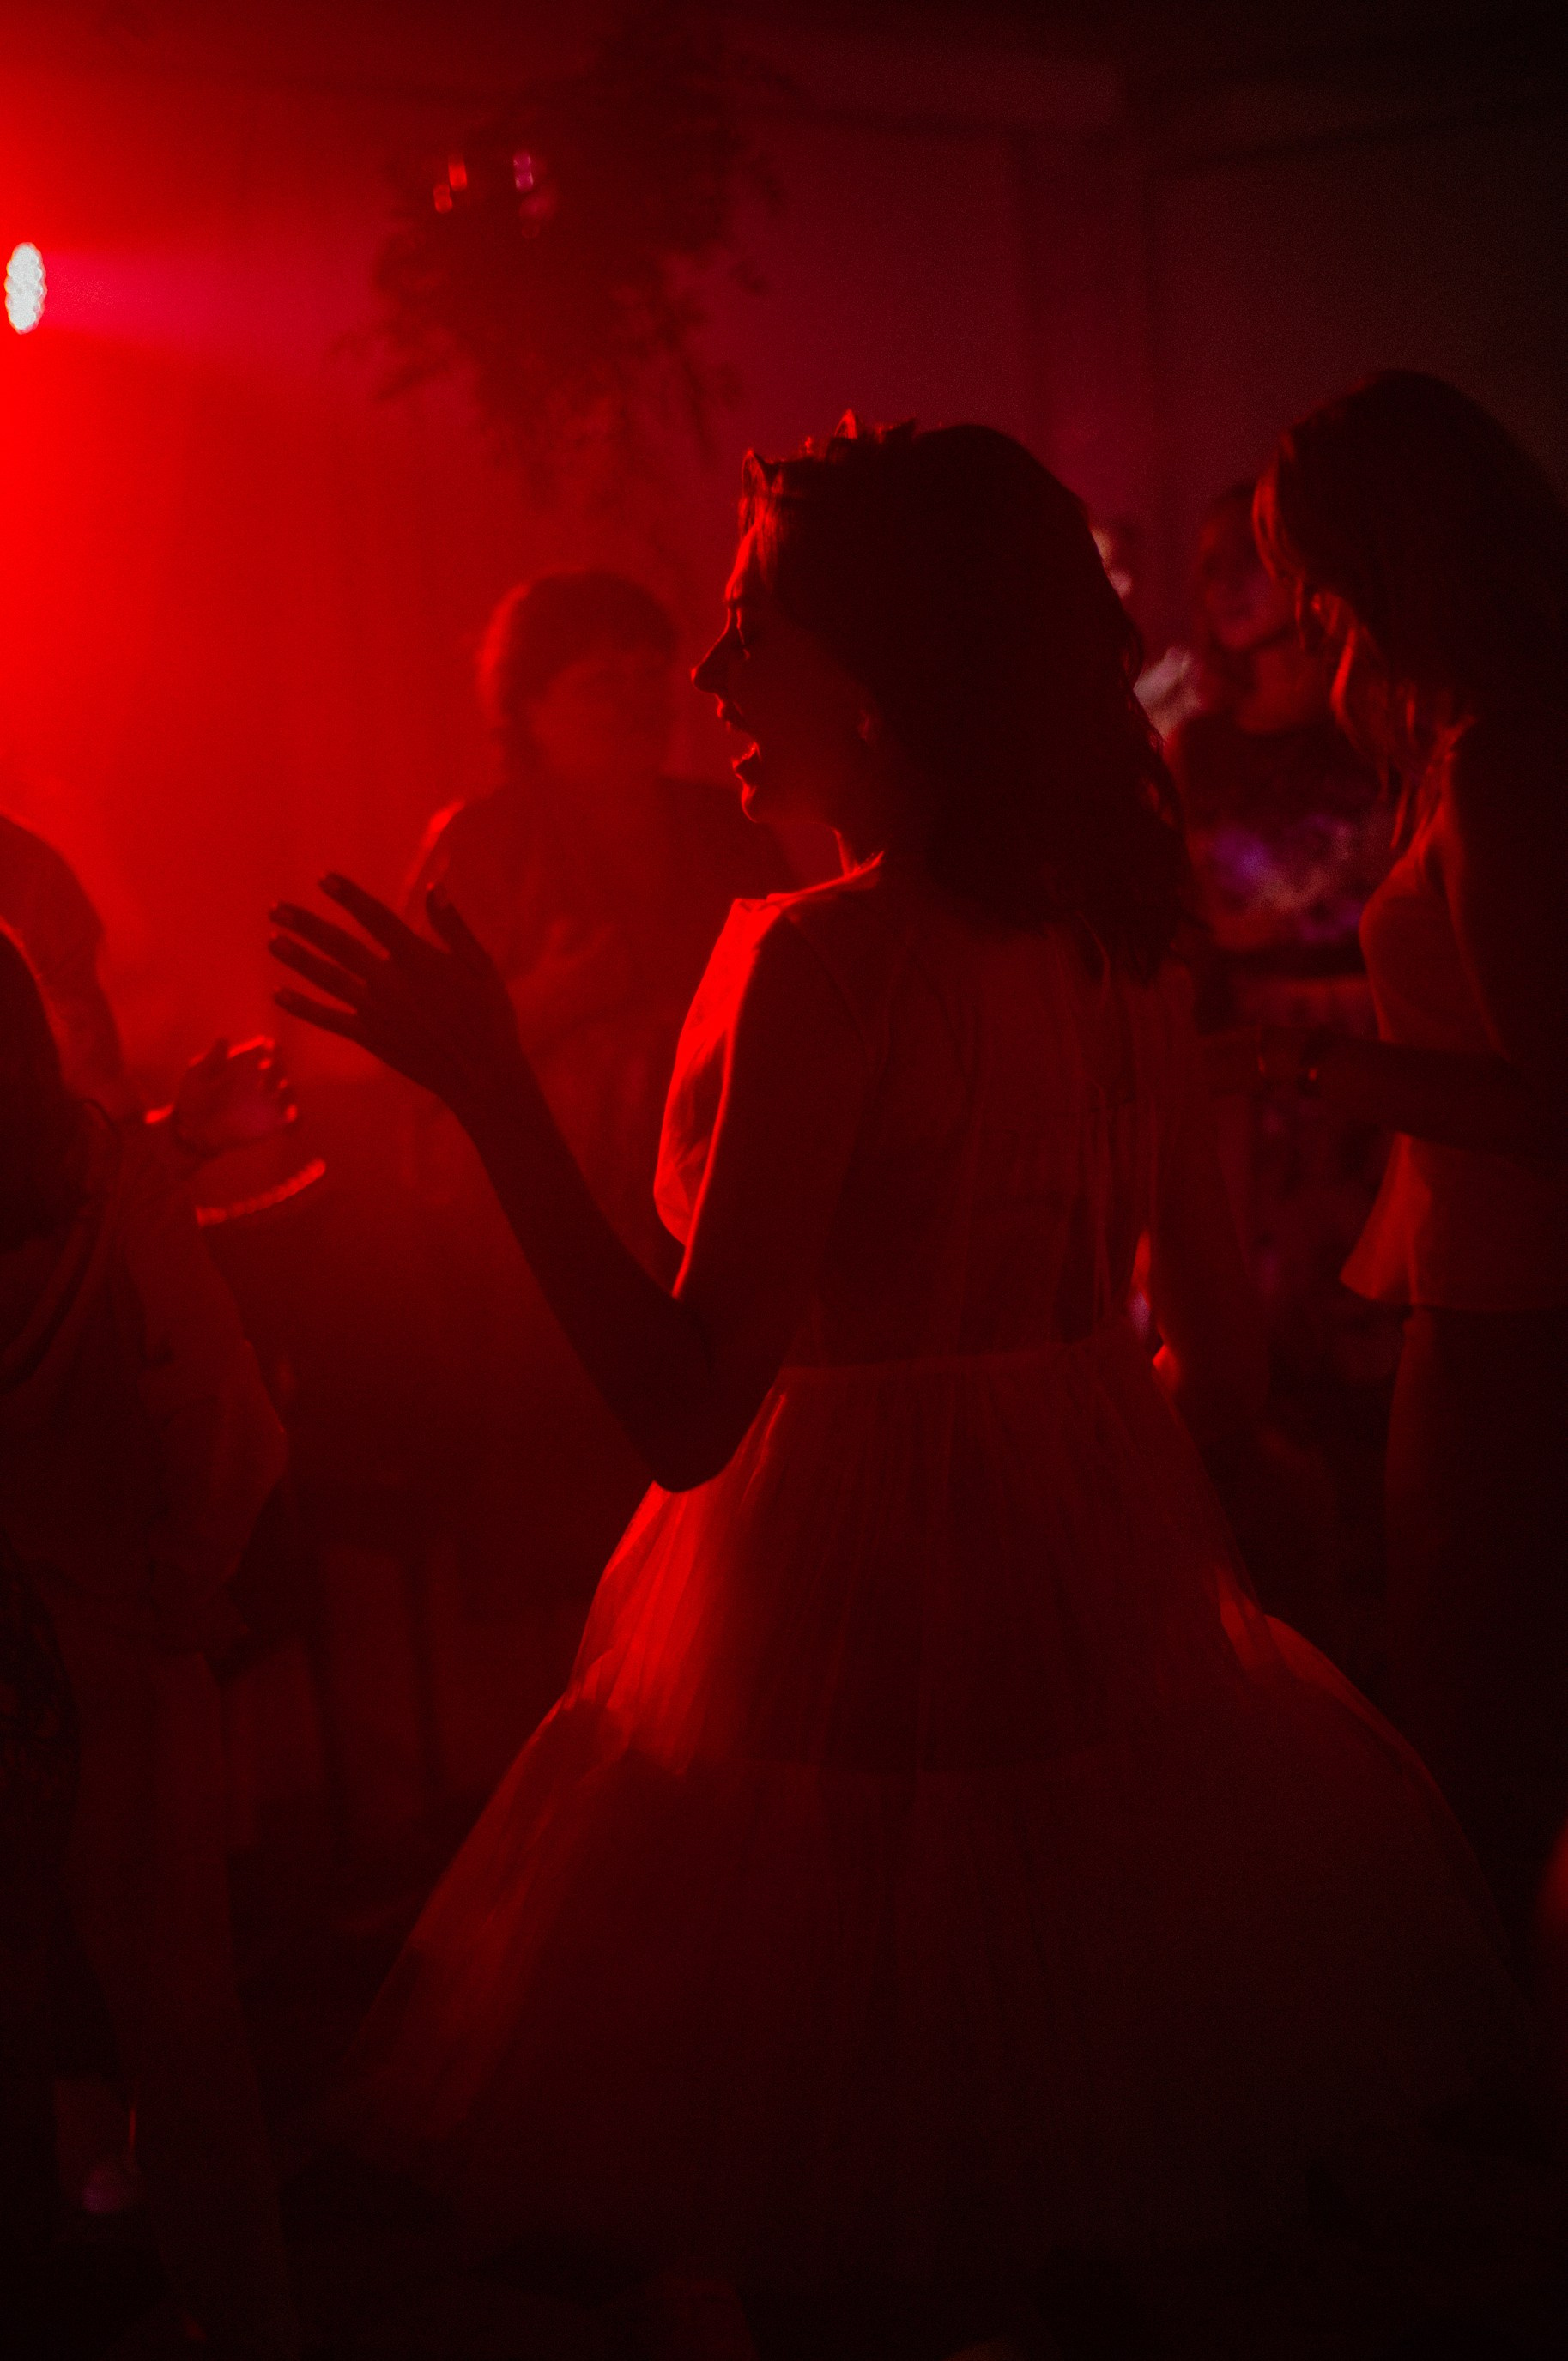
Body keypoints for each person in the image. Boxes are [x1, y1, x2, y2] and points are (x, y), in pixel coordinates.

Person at [270, 421, 1523, 2342]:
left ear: (877, 672)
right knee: (1094, 2169)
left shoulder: (829, 964)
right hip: (1092, 1614)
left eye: (746, 624)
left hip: (832, 1621)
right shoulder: (1119, 943)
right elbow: (1218, 1363)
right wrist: (1064, 1472)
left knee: (841, 2201)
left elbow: (688, 1413)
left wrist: (494, 1088)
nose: (707, 673)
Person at [1215, 370, 1568, 1954]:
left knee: (1474, 1708)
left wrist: (1303, 1063)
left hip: (1515, 1296)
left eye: (1309, 567)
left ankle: (1504, 2062)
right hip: (1488, 1276)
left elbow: (1553, 1097)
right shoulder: (1500, 738)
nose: (1299, 606)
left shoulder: (1504, 758)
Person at [397, 572, 791, 1777]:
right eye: (596, 680)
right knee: (560, 1530)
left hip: (715, 1217)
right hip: (542, 1245)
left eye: (646, 672)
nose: (635, 700)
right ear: (527, 705)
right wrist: (552, 1000)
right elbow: (417, 1053)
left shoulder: (726, 826)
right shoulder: (479, 844)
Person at [0, 931, 299, 2359]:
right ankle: (243, 2327)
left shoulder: (116, 1177)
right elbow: (227, 1414)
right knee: (183, 2033)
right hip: (119, 1641)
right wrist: (184, 1584)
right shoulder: (100, 1177)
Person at [1166, 486, 1395, 1668]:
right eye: (1217, 569)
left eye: (1253, 563)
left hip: (1371, 1045)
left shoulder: (1376, 726)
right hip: (1250, 1064)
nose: (1233, 590)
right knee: (1258, 1315)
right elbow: (1185, 925)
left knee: (1372, 1312)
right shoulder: (1198, 748)